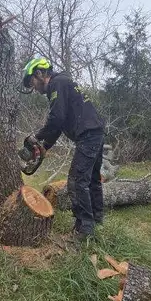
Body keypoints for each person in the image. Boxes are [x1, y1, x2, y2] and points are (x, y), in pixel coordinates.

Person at [22, 56, 105, 243]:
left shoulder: (57, 84)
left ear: (40, 73)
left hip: (88, 134)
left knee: (76, 181)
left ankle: (83, 231)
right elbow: (59, 125)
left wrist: (37, 136)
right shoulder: (64, 82)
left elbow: (56, 119)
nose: (34, 88)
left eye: (32, 82)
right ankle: (96, 219)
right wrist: (44, 147)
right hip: (95, 132)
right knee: (91, 179)